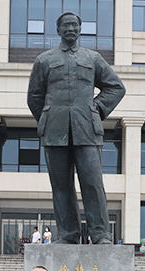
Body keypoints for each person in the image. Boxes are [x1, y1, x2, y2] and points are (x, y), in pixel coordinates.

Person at [27, 12, 125, 245]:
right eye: (66, 25)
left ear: (80, 30)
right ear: (58, 30)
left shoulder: (93, 58)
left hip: (86, 130)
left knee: (93, 183)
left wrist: (96, 109)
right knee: (61, 186)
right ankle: (68, 235)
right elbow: (34, 97)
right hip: (55, 132)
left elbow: (116, 87)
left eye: (74, 25)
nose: (70, 28)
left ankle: (100, 235)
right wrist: (48, 119)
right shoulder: (44, 60)